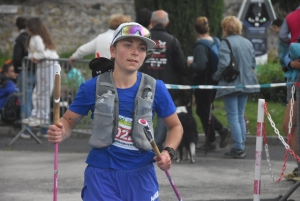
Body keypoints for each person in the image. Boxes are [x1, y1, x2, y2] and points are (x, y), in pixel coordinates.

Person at [47, 22, 183, 200]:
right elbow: (68, 122)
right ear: (112, 50)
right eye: (127, 45)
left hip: (141, 175)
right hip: (101, 175)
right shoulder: (91, 87)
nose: (135, 52)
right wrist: (60, 131)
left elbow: (175, 127)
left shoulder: (156, 88)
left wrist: (168, 152)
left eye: (141, 48)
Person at [212, 16, 259, 159]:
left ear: (225, 28)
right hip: (247, 82)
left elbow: (224, 64)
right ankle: (241, 144)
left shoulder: (225, 43)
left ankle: (238, 148)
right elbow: (253, 64)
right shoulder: (247, 42)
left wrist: (215, 77)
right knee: (240, 114)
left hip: (231, 83)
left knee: (233, 115)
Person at [140, 10, 187, 152]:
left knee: (142, 113)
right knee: (163, 115)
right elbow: (181, 65)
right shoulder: (172, 40)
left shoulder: (143, 39)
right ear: (167, 22)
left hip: (142, 82)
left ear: (152, 22)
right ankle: (157, 144)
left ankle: (141, 142)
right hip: (166, 83)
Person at [187, 16, 229, 151]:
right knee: (206, 110)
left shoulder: (200, 45)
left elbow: (200, 65)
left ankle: (218, 133)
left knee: (203, 111)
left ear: (195, 30)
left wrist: (190, 64)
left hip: (203, 82)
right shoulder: (215, 40)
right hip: (213, 80)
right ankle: (212, 138)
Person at [21, 17, 59, 137]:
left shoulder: (37, 38)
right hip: (42, 67)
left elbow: (42, 53)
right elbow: (32, 53)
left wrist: (34, 57)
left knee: (43, 93)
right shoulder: (33, 38)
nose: (26, 29)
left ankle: (42, 117)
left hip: (49, 66)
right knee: (38, 92)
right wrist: (33, 57)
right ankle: (37, 115)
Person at [12, 16, 36, 139]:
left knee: (25, 101)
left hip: (25, 72)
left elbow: (16, 57)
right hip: (37, 72)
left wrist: (16, 70)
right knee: (35, 101)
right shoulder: (34, 37)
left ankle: (27, 130)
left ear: (17, 27)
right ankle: (40, 128)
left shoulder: (19, 39)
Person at [282, 52, 300, 181]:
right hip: (295, 87)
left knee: (292, 127)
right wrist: (290, 63)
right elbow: (286, 55)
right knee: (288, 126)